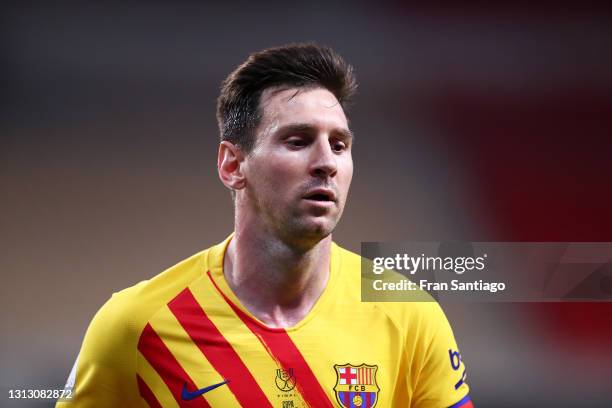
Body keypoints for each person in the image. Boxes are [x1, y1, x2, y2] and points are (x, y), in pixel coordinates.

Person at [57, 43, 472, 408]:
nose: (326, 162)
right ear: (233, 165)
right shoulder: (136, 327)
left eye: (339, 144)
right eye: (298, 140)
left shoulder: (410, 315)